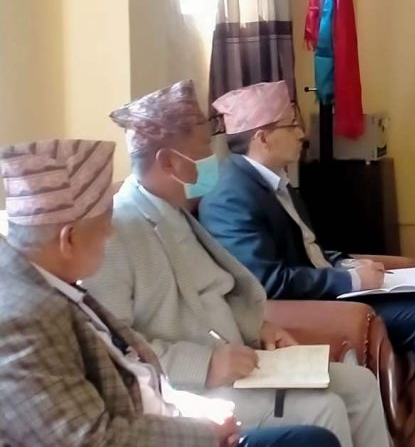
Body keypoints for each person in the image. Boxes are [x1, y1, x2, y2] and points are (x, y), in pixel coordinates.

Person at [196, 81, 415, 447]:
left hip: (327, 286)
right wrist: (349, 281)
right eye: (292, 125)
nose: (302, 134)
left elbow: (308, 249)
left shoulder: (274, 181)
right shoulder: (231, 197)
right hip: (313, 305)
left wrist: (349, 263)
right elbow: (267, 282)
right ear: (263, 137)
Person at [82, 80, 390, 447]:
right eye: (203, 150)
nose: (213, 160)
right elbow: (113, 349)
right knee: (323, 410)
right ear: (168, 162)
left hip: (243, 362)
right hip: (189, 387)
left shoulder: (176, 212)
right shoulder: (117, 231)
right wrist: (206, 365)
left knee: (360, 385)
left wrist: (259, 326)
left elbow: (217, 291)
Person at [0, 139, 343, 447]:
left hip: (171, 408)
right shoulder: (20, 321)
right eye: (104, 226)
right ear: (69, 239)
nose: (110, 236)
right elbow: (92, 440)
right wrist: (202, 432)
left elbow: (132, 367)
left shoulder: (53, 284)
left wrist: (197, 412)